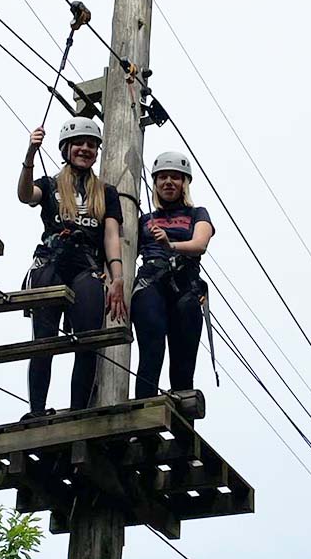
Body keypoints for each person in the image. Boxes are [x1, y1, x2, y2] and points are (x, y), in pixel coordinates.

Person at [17, 117, 127, 419]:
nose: (85, 149)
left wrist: (117, 278)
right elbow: (25, 195)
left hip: (86, 265)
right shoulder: (50, 184)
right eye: (79, 143)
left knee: (88, 340)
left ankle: (79, 410)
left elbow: (111, 236)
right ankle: (37, 411)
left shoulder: (106, 192)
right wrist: (29, 155)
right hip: (51, 262)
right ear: (66, 148)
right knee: (44, 340)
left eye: (91, 145)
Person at [131, 151, 214, 398]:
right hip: (150, 282)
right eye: (163, 178)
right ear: (155, 184)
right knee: (151, 350)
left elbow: (200, 244)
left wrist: (171, 246)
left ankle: (183, 428)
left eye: (175, 178)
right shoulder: (145, 220)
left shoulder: (197, 214)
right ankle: (142, 419)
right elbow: (125, 250)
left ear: (184, 183)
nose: (168, 182)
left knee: (183, 361)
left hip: (184, 285)